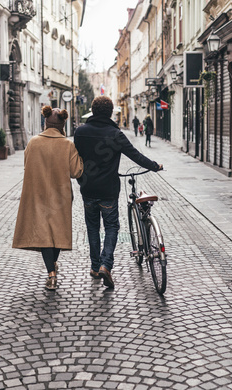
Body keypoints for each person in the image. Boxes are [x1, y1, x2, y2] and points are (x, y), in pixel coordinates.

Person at [74, 96, 163, 289]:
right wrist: (155, 166)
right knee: (112, 227)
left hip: (88, 188)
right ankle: (106, 265)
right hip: (108, 190)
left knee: (92, 228)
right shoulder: (115, 134)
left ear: (92, 110)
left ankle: (95, 266)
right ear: (110, 112)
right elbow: (136, 155)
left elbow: (75, 158)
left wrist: (81, 178)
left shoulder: (80, 132)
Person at [13, 106, 83, 290]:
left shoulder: (34, 142)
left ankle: (51, 273)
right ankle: (52, 268)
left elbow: (27, 164)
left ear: (46, 122)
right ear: (62, 124)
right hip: (61, 196)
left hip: (38, 195)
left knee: (44, 233)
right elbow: (76, 172)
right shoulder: (67, 144)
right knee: (57, 233)